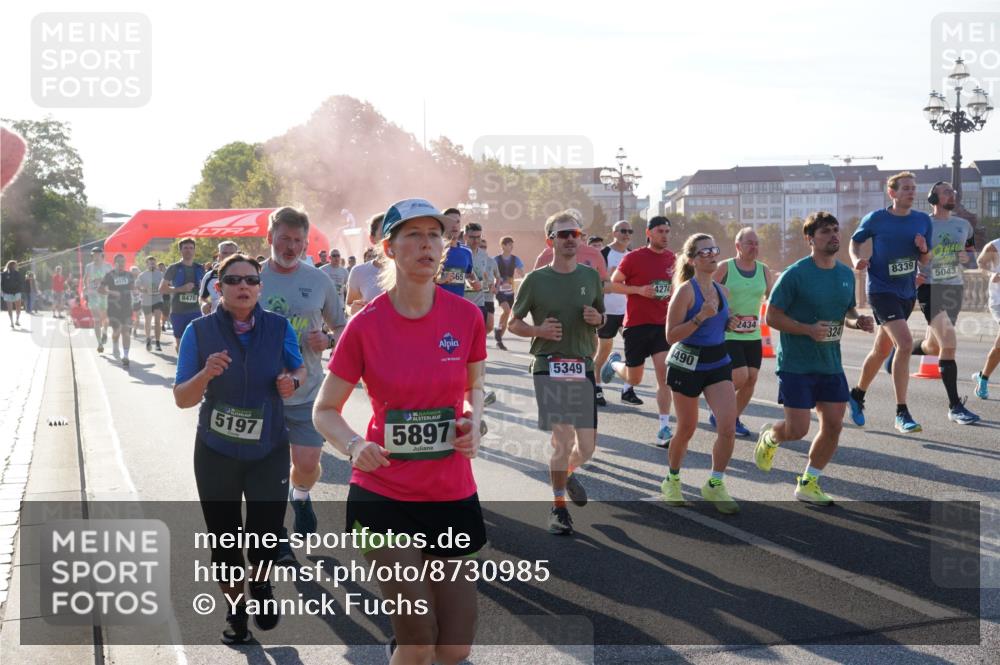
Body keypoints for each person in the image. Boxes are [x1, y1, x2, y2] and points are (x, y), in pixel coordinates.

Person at [312, 198, 486, 665]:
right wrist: (354, 445)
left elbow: (474, 390)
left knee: (455, 645)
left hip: (450, 491)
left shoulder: (467, 317)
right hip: (382, 493)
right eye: (413, 235)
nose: (426, 243)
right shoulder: (365, 325)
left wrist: (474, 421)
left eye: (434, 234)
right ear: (388, 247)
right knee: (417, 636)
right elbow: (325, 409)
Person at [173, 253, 305, 644]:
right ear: (219, 287)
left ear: (260, 287)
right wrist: (206, 372)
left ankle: (260, 584)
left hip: (269, 448)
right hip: (216, 451)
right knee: (225, 540)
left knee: (264, 536)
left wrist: (292, 383)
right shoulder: (198, 331)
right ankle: (236, 611)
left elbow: (299, 369)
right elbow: (181, 398)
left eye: (250, 279)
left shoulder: (279, 327)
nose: (242, 286)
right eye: (233, 280)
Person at [754, 212, 876, 504]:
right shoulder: (795, 274)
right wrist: (807, 329)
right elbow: (772, 316)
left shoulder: (846, 274)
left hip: (830, 363)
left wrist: (857, 321)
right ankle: (771, 436)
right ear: (810, 239)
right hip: (796, 363)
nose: (834, 235)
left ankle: (809, 482)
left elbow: (846, 313)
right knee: (797, 430)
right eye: (825, 232)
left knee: (834, 424)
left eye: (835, 230)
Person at [509, 210, 604, 535]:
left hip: (582, 366)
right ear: (550, 240)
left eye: (574, 234)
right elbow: (512, 323)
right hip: (549, 366)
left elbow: (601, 316)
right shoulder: (535, 280)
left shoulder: (590, 277)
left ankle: (567, 472)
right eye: (562, 234)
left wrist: (597, 319)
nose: (569, 239)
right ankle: (558, 507)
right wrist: (538, 331)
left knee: (587, 448)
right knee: (561, 440)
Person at [259, 206, 346, 557]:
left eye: (298, 240)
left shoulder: (319, 280)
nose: (291, 246)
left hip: (309, 391)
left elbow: (342, 327)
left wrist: (328, 339)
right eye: (284, 239)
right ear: (270, 238)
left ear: (307, 242)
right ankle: (275, 532)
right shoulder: (251, 276)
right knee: (269, 469)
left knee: (307, 464)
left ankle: (302, 496)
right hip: (262, 394)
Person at [659, 233, 739, 515]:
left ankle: (715, 483)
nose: (712, 255)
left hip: (717, 362)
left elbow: (720, 324)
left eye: (714, 250)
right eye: (704, 252)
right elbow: (671, 335)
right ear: (692, 260)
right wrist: (699, 317)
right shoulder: (685, 292)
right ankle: (672, 479)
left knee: (728, 427)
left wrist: (730, 322)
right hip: (687, 364)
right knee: (687, 428)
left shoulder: (722, 290)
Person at [847, 171, 933, 433]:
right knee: (905, 343)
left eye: (913, 187)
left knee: (882, 350)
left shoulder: (922, 221)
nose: (911, 191)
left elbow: (926, 260)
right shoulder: (876, 219)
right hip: (881, 291)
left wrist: (923, 250)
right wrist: (855, 260)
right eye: (905, 188)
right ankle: (901, 412)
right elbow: (855, 242)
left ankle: (857, 395)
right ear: (892, 193)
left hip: (907, 293)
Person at [898, 182, 979, 424]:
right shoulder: (922, 222)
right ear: (934, 198)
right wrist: (912, 273)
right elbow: (904, 252)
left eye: (953, 192)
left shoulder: (964, 225)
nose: (951, 194)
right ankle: (955, 407)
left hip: (954, 288)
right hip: (929, 287)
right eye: (946, 192)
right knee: (950, 341)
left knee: (934, 346)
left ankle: (899, 351)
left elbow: (971, 258)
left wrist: (967, 258)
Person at [602, 216, 675, 446]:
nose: (664, 235)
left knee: (665, 377)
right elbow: (612, 284)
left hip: (662, 325)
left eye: (667, 231)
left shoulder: (673, 258)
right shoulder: (633, 257)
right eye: (660, 231)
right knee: (635, 377)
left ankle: (664, 427)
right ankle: (614, 364)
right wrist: (639, 290)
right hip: (636, 324)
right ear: (649, 233)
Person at [712, 227, 774, 437]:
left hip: (752, 333)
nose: (754, 247)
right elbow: (707, 292)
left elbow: (772, 298)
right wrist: (725, 313)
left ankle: (732, 418)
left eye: (756, 243)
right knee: (740, 375)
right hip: (728, 332)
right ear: (738, 246)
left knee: (752, 378)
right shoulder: (725, 268)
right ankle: (719, 409)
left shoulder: (764, 270)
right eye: (749, 243)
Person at [594, 220, 632, 407]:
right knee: (603, 351)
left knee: (634, 349)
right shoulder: (604, 254)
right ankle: (597, 387)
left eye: (629, 231)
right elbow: (595, 281)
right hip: (607, 311)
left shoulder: (632, 256)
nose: (627, 234)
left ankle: (627, 389)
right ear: (614, 233)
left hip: (627, 311)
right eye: (623, 231)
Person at [159, 237, 207, 348]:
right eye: (185, 248)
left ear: (194, 250)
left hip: (195, 311)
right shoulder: (173, 268)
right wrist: (180, 289)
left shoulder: (200, 268)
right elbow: (162, 289)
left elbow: (206, 290)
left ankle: (192, 365)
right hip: (178, 311)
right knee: (180, 344)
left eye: (191, 248)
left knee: (197, 343)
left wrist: (206, 302)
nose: (188, 250)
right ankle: (181, 365)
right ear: (181, 250)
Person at [972, 235, 1000, 399]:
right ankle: (983, 380)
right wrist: (991, 275)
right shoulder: (994, 246)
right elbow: (980, 264)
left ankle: (983, 377)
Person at [98, 254, 136, 367]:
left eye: (123, 261)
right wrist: (111, 292)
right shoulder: (109, 275)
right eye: (119, 262)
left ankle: (126, 356)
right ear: (115, 263)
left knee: (125, 331)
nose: (121, 264)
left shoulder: (129, 275)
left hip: (127, 307)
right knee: (117, 331)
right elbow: (100, 290)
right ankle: (115, 343)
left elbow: (133, 289)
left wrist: (138, 291)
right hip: (114, 307)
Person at [345, 214, 387, 315]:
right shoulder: (359, 271)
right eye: (384, 234)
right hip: (371, 330)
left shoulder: (409, 270)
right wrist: (352, 310)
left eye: (392, 233)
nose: (389, 238)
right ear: (372, 239)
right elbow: (349, 304)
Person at [436, 208, 479, 297]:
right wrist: (438, 279)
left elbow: (469, 274)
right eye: (450, 222)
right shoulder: (434, 249)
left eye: (457, 222)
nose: (454, 225)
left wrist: (474, 283)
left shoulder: (466, 252)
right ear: (442, 225)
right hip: (437, 304)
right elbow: (419, 278)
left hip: (458, 305)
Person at [493, 236, 525, 351]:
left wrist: (526, 280)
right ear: (503, 246)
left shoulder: (515, 259)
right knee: (506, 310)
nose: (511, 247)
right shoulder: (496, 259)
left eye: (512, 245)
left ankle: (499, 339)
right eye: (509, 245)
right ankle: (498, 330)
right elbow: (490, 271)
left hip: (510, 291)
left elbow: (522, 273)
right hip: (499, 290)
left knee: (507, 315)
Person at [199, 240, 240, 315]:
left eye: (232, 253)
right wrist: (204, 304)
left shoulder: (245, 273)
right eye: (224, 253)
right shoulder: (210, 276)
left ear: (237, 255)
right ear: (219, 255)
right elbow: (202, 298)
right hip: (217, 320)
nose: (228, 256)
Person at [84, 247, 112, 351]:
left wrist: (102, 281)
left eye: (97, 254)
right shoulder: (89, 267)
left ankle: (104, 332)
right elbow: (85, 279)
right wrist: (85, 287)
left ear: (101, 255)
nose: (95, 256)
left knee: (104, 318)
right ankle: (99, 343)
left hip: (104, 295)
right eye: (93, 255)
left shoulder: (108, 266)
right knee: (96, 319)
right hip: (93, 295)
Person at [138, 256, 164, 351]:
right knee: (148, 321)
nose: (152, 265)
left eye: (154, 263)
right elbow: (137, 286)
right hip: (147, 300)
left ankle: (157, 342)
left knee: (157, 321)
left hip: (158, 299)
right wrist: (143, 289)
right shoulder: (142, 275)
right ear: (147, 264)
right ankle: (148, 339)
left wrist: (162, 288)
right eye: (150, 263)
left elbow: (166, 284)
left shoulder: (160, 274)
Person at [1, 260, 23, 327]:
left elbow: (20, 283)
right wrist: (4, 291)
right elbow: (2, 284)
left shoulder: (17, 273)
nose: (15, 266)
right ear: (10, 265)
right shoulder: (4, 274)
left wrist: (19, 290)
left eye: (15, 265)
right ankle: (11, 322)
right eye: (14, 265)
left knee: (18, 307)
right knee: (10, 308)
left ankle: (17, 320)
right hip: (8, 293)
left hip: (16, 292)